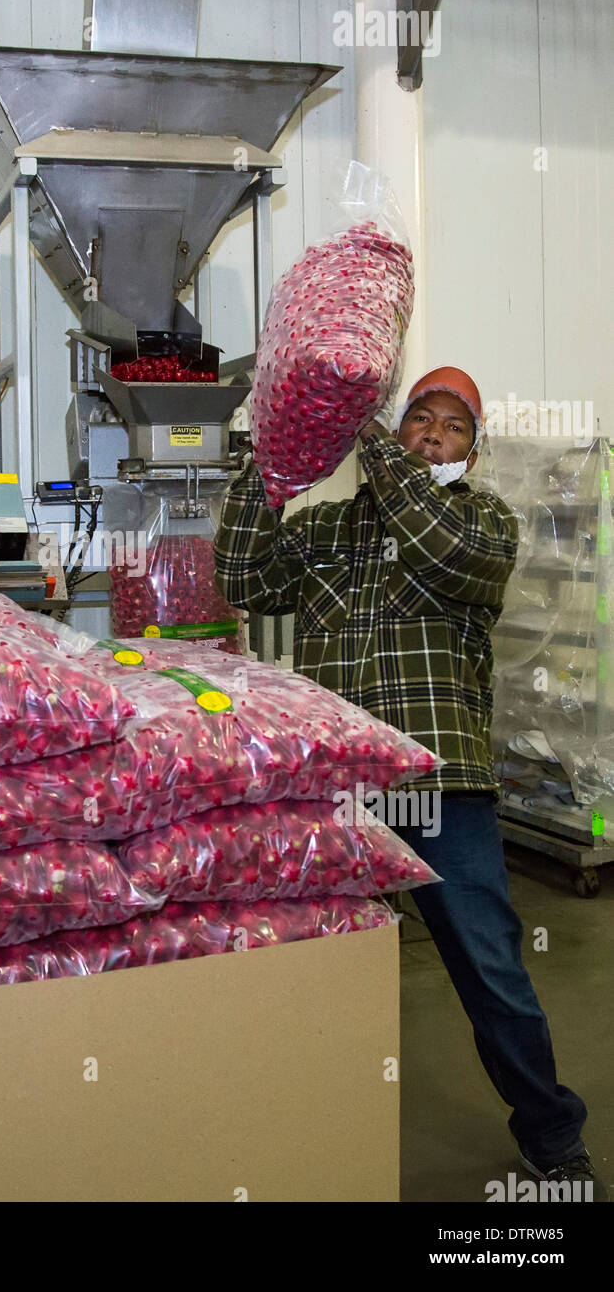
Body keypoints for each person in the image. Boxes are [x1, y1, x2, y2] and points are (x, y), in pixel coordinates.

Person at [213, 365, 606, 1201]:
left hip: (436, 784)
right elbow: (244, 578)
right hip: (333, 785)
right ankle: (298, 1132)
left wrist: (361, 432)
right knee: (309, 965)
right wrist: (268, 464)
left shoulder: (482, 524)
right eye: (418, 419)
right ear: (398, 432)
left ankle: (550, 1134)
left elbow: (433, 540)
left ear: (472, 450)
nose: (432, 435)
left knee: (490, 966)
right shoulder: (325, 529)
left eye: (452, 427)